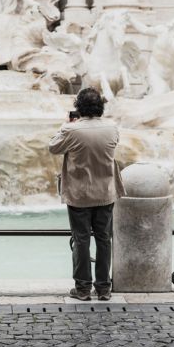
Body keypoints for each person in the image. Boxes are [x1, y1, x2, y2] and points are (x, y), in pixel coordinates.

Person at [48, 88, 125, 301]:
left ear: (78, 107)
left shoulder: (72, 130)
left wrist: (67, 125)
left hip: (79, 194)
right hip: (105, 192)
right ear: (101, 107)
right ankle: (103, 288)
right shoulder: (112, 128)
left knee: (81, 240)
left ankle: (82, 288)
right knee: (104, 240)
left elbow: (53, 147)